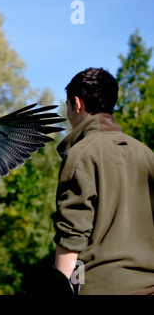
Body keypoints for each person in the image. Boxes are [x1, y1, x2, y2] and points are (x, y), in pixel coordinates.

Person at [52, 67, 154, 295]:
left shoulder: (80, 154)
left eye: (66, 105)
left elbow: (72, 236)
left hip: (101, 288)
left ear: (77, 104)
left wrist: (63, 289)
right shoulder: (146, 154)